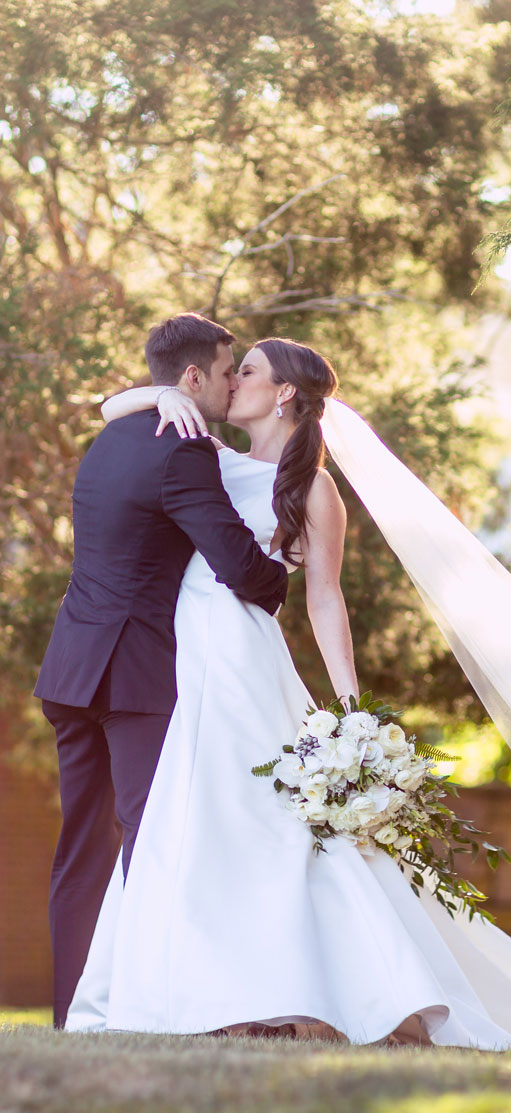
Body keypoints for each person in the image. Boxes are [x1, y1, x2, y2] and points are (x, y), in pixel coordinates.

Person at [64, 336, 511, 1053]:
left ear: (285, 392)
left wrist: (350, 713)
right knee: (192, 816)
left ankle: (336, 992)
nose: (232, 385)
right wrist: (162, 391)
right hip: (184, 656)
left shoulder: (313, 490)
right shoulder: (209, 460)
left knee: (270, 826)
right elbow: (117, 407)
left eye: (249, 372)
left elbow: (324, 599)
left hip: (242, 658)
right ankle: (197, 985)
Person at [34, 314, 289, 1030]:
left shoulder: (110, 437)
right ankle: (152, 1003)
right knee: (154, 843)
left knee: (82, 850)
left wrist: (132, 398)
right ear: (190, 378)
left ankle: (72, 1015)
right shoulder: (184, 451)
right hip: (133, 676)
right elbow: (237, 562)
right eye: (226, 367)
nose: (232, 380)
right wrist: (281, 580)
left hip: (71, 666)